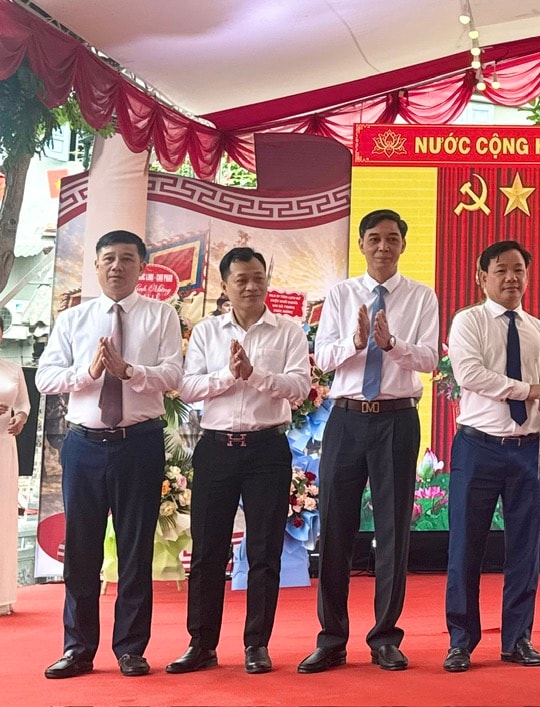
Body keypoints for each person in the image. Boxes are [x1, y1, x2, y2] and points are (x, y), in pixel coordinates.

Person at [36, 230, 183, 678]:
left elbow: (174, 374)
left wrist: (129, 371)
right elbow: (45, 378)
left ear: (142, 267)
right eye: (109, 259)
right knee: (81, 550)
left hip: (139, 443)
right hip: (84, 446)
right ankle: (78, 648)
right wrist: (90, 372)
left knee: (136, 549)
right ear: (97, 266)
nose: (117, 267)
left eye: (127, 259)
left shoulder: (162, 316)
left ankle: (131, 649)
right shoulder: (74, 319)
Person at [299, 209, 440, 673]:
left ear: (403, 245)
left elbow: (429, 360)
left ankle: (384, 638)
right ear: (361, 244)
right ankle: (331, 638)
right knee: (335, 527)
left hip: (397, 420)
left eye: (392, 238)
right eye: (374, 238)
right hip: (346, 419)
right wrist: (357, 342)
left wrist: (392, 344)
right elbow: (323, 358)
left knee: (393, 530)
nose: (383, 246)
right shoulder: (341, 295)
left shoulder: (421, 296)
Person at [165, 248, 310, 675]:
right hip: (216, 448)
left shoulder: (288, 331)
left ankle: (257, 645)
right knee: (208, 551)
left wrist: (255, 375)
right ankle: (201, 644)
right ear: (225, 285)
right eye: (241, 279)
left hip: (267, 449)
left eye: (258, 278)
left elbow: (299, 386)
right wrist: (230, 375)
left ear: (268, 281)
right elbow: (188, 388)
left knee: (264, 552)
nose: (250, 287)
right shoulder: (208, 332)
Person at [442, 240, 540, 673]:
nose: (511, 278)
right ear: (481, 277)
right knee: (464, 548)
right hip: (478, 447)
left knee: (525, 551)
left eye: (519, 270)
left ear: (528, 276)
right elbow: (470, 374)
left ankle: (518, 640)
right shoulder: (468, 321)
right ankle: (460, 642)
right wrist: (527, 391)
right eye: (501, 270)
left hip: (528, 450)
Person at [0, 320, 31, 617]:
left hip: (4, 445)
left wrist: (20, 418)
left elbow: (23, 404)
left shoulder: (13, 368)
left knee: (4, 515)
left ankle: (3, 593)